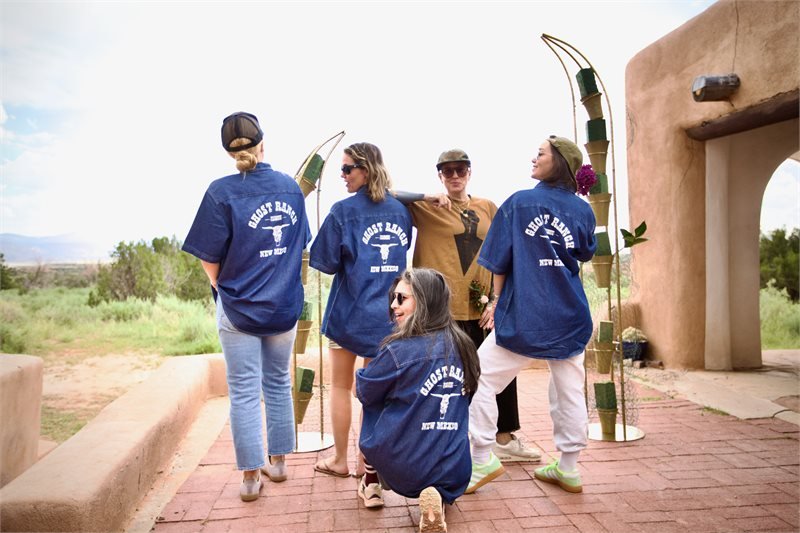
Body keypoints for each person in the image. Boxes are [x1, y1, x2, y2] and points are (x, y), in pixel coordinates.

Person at [182, 112, 310, 501]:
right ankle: (280, 463)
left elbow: (207, 256)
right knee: (277, 383)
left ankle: (252, 478)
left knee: (242, 391)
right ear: (262, 144)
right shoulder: (289, 188)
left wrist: (221, 286)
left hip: (238, 307)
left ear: (228, 152)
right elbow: (299, 244)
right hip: (284, 307)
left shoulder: (220, 192)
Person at [466, 136, 597, 494]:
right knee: (569, 391)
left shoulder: (519, 203)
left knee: (476, 379)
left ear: (560, 163)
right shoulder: (583, 211)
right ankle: (568, 467)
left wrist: (494, 301)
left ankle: (481, 459)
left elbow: (498, 260)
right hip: (570, 316)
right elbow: (584, 252)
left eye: (541, 153)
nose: (534, 158)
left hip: (526, 314)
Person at [405, 149, 542, 463]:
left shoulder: (487, 207)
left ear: (469, 172)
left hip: (483, 309)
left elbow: (506, 251)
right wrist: (427, 196)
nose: (455, 176)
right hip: (442, 312)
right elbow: (385, 192)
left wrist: (499, 299)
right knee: (444, 377)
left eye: (461, 169)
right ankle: (445, 442)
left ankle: (504, 439)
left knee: (499, 374)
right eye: (448, 170)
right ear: (439, 174)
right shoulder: (425, 209)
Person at [310, 143, 413, 501]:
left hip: (348, 317)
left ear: (365, 170)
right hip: (389, 318)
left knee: (340, 386)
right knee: (373, 395)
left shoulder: (342, 212)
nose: (342, 175)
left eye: (347, 169)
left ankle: (341, 460)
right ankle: (368, 468)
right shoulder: (402, 212)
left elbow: (324, 261)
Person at [356, 268, 480, 532]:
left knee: (371, 401)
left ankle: (371, 481)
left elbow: (364, 391)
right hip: (456, 468)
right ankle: (440, 496)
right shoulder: (465, 346)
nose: (393, 304)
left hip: (405, 467)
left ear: (423, 302)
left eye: (401, 298)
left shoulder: (397, 351)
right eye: (393, 297)